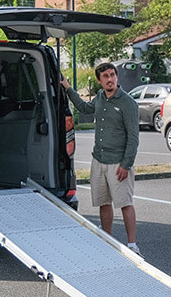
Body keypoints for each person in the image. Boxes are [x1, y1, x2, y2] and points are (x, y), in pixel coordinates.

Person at [61, 62, 142, 255]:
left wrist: (126, 164)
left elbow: (134, 137)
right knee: (103, 202)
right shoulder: (99, 97)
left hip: (118, 163)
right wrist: (67, 88)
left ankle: (132, 245)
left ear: (117, 77)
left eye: (112, 75)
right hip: (99, 160)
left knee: (125, 203)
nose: (110, 79)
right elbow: (84, 107)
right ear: (99, 80)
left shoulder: (127, 103)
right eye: (105, 76)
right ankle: (107, 240)